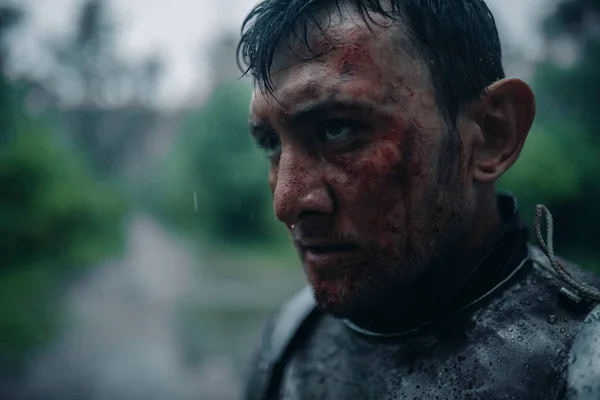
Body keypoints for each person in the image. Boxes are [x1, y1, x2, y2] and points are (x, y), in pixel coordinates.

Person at [236, 0, 600, 398]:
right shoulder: (290, 342)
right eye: (270, 142)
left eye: (337, 128)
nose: (286, 203)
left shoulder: (583, 365)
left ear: (492, 134)